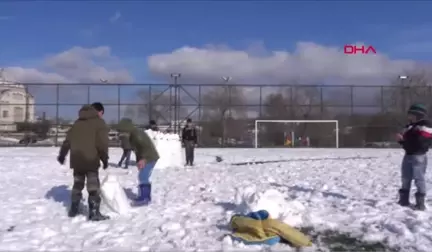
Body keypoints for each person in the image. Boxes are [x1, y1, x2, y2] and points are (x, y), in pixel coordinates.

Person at [57, 102, 110, 221]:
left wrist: (62, 154)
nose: (101, 116)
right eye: (102, 113)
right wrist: (104, 158)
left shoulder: (77, 123)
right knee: (93, 186)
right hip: (91, 160)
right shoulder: (99, 123)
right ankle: (94, 212)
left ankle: (73, 210)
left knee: (77, 184)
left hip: (77, 159)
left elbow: (67, 141)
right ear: (99, 112)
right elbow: (102, 143)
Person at [116, 118, 160, 205]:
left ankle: (144, 198)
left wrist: (144, 159)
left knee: (143, 176)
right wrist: (139, 161)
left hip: (149, 157)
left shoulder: (137, 135)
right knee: (143, 176)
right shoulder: (133, 134)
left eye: (122, 130)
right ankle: (145, 197)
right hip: (146, 157)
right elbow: (138, 150)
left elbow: (146, 147)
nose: (121, 133)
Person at [397, 103, 432, 210]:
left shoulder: (425, 125)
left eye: (410, 114)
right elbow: (408, 142)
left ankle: (420, 203)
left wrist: (403, 140)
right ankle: (404, 200)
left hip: (418, 156)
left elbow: (420, 142)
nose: (408, 116)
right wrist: (402, 141)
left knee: (419, 178)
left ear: (417, 115)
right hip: (408, 155)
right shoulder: (410, 126)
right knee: (405, 177)